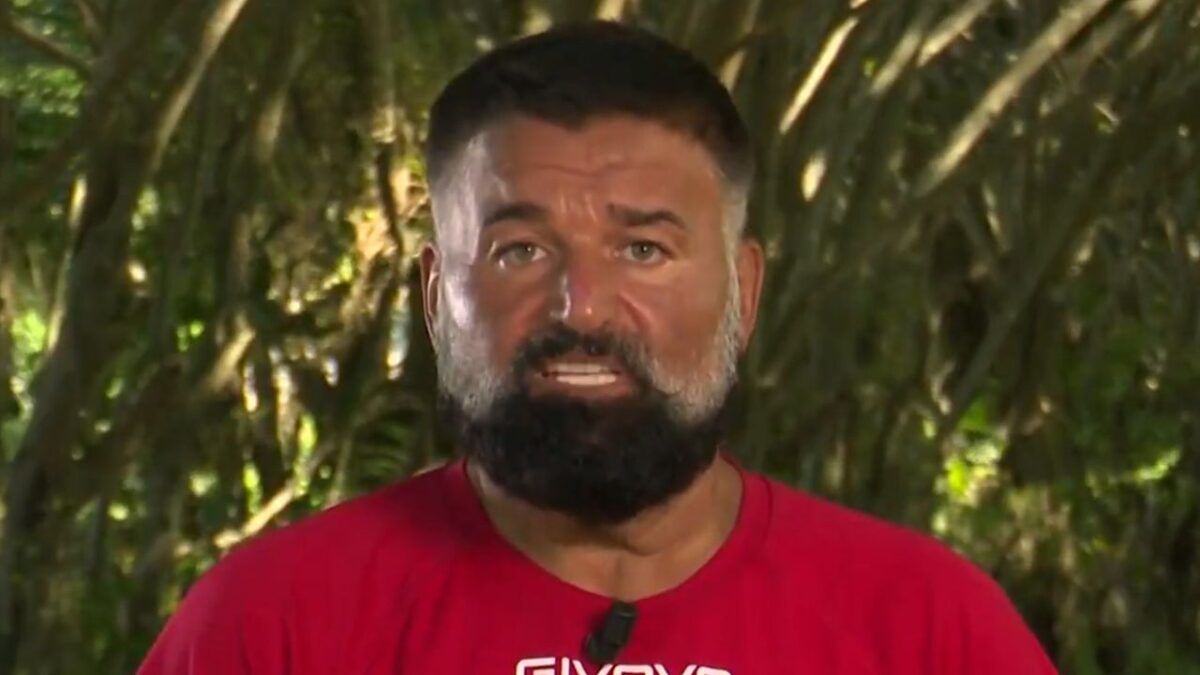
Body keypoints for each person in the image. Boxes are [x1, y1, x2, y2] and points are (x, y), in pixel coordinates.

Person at [138, 21, 1058, 674]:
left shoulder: (928, 631)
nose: (580, 306)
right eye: (520, 251)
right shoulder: (274, 627)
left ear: (743, 291)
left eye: (643, 250)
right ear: (435, 296)